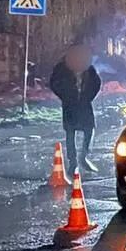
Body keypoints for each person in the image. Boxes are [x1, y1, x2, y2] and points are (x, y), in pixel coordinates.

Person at [50, 44, 101, 178]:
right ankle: (73, 163)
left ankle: (84, 157)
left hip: (84, 105)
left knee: (89, 130)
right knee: (70, 133)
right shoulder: (61, 69)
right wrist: (65, 96)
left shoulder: (89, 69)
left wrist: (87, 97)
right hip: (70, 106)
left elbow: (96, 84)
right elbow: (54, 83)